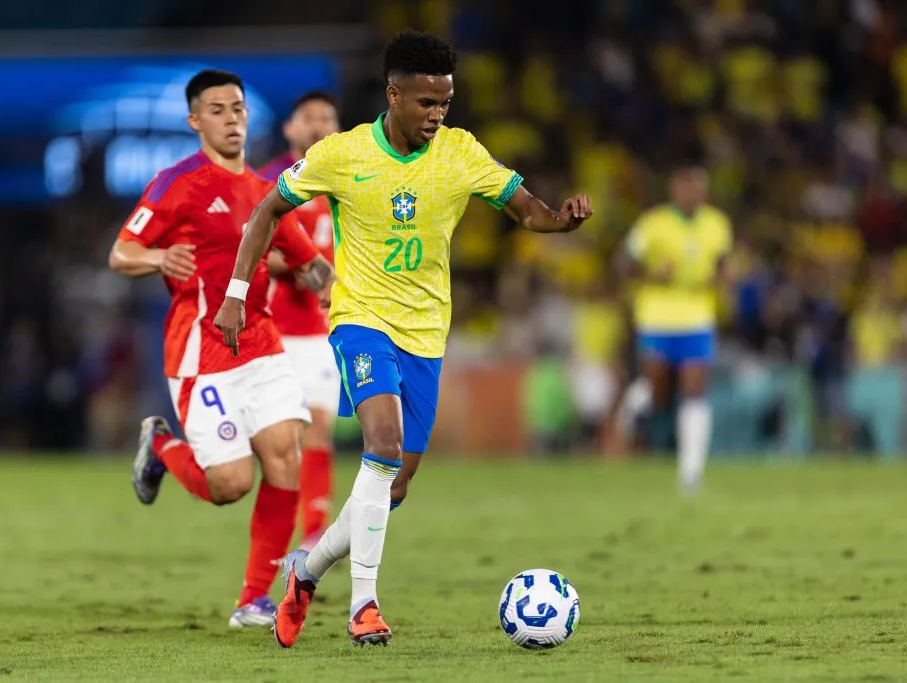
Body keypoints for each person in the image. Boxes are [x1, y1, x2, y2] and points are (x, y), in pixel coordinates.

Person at [214, 29, 593, 647]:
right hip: (361, 319)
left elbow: (526, 210)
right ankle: (363, 606)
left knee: (392, 484)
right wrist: (235, 294)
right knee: (382, 443)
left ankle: (305, 573)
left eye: (445, 102)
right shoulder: (342, 154)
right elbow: (266, 211)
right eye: (426, 103)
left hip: (426, 332)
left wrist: (561, 221)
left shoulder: (461, 152)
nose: (437, 114)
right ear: (393, 95)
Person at [108, 69, 333, 629]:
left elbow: (308, 264)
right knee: (231, 485)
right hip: (200, 350)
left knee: (285, 456)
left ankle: (254, 598)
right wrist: (158, 258)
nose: (231, 119)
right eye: (217, 110)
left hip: (262, 343)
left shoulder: (264, 192)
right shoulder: (176, 183)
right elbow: (122, 252)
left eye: (237, 109)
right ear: (195, 121)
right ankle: (162, 446)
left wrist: (333, 286)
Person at [259, 91, 342, 551]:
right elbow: (248, 248)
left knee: (319, 427)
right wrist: (302, 265)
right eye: (307, 117)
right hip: (271, 329)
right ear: (289, 128)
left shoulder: (347, 180)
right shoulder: (268, 181)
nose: (317, 125)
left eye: (326, 117)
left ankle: (313, 534)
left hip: (322, 330)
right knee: (278, 439)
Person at [616, 166, 733, 492]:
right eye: (684, 188)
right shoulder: (653, 224)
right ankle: (636, 405)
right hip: (657, 315)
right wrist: (651, 273)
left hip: (697, 316)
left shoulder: (717, 224)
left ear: (704, 193)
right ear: (674, 191)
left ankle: (691, 473)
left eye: (695, 189)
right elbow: (622, 263)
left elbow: (724, 265)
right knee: (658, 389)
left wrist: (724, 280)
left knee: (694, 389)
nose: (689, 195)